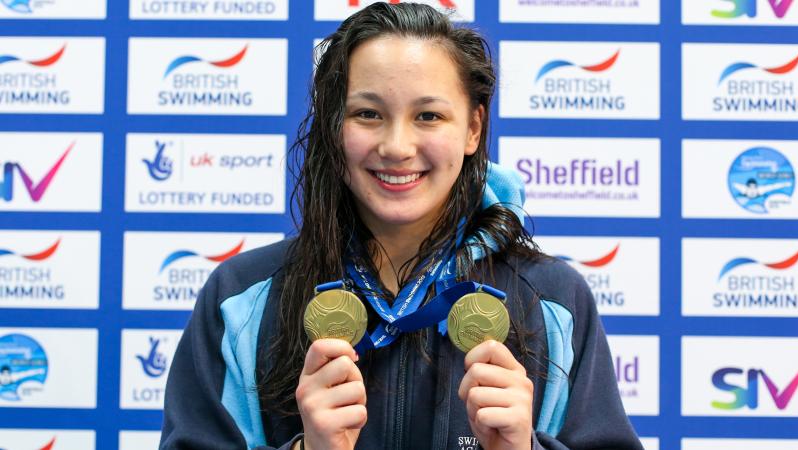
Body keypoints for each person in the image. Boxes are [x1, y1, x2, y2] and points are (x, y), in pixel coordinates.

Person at [160, 3, 644, 449]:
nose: (396, 146)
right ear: (334, 125)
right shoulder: (242, 297)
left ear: (473, 128)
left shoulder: (554, 299)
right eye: (368, 114)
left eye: (428, 115)